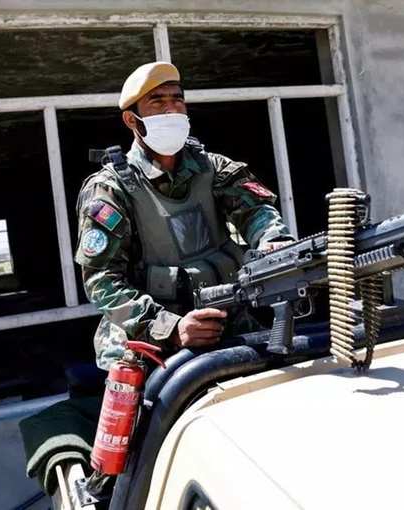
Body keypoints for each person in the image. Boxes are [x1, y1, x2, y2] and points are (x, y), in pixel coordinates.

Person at [74, 62, 295, 370]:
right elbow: (101, 281)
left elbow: (256, 211)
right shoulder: (111, 189)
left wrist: (275, 241)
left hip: (227, 325)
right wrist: (171, 329)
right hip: (148, 349)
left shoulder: (212, 167)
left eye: (177, 99)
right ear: (131, 119)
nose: (171, 110)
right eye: (157, 101)